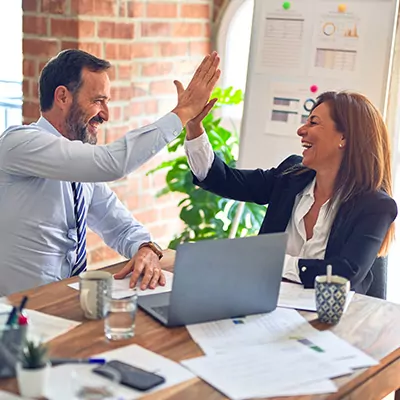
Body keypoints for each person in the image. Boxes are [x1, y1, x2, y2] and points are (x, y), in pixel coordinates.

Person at [0, 49, 220, 296]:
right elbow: (111, 163)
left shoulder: (79, 168)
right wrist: (182, 113)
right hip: (16, 315)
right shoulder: (19, 143)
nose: (106, 114)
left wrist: (146, 248)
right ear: (62, 97)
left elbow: (120, 226)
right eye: (97, 101)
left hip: (65, 304)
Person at [183, 91, 397, 294]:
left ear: (344, 138)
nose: (301, 130)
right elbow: (223, 180)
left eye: (313, 122)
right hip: (266, 304)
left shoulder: (375, 206)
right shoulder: (291, 176)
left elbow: (344, 273)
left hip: (332, 320)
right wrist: (194, 127)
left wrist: (271, 261)